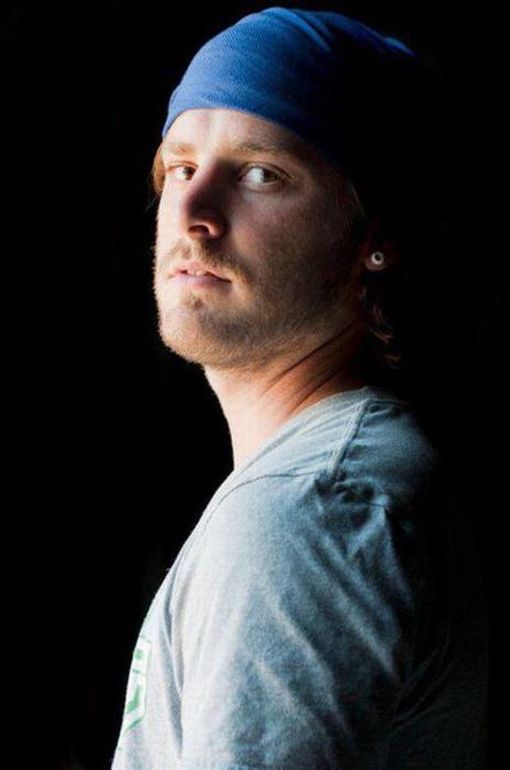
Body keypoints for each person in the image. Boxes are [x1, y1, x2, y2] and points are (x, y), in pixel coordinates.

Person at [111, 7, 488, 769]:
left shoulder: (307, 510)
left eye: (261, 174)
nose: (193, 213)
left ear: (376, 236)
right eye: (180, 167)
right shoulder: (345, 478)